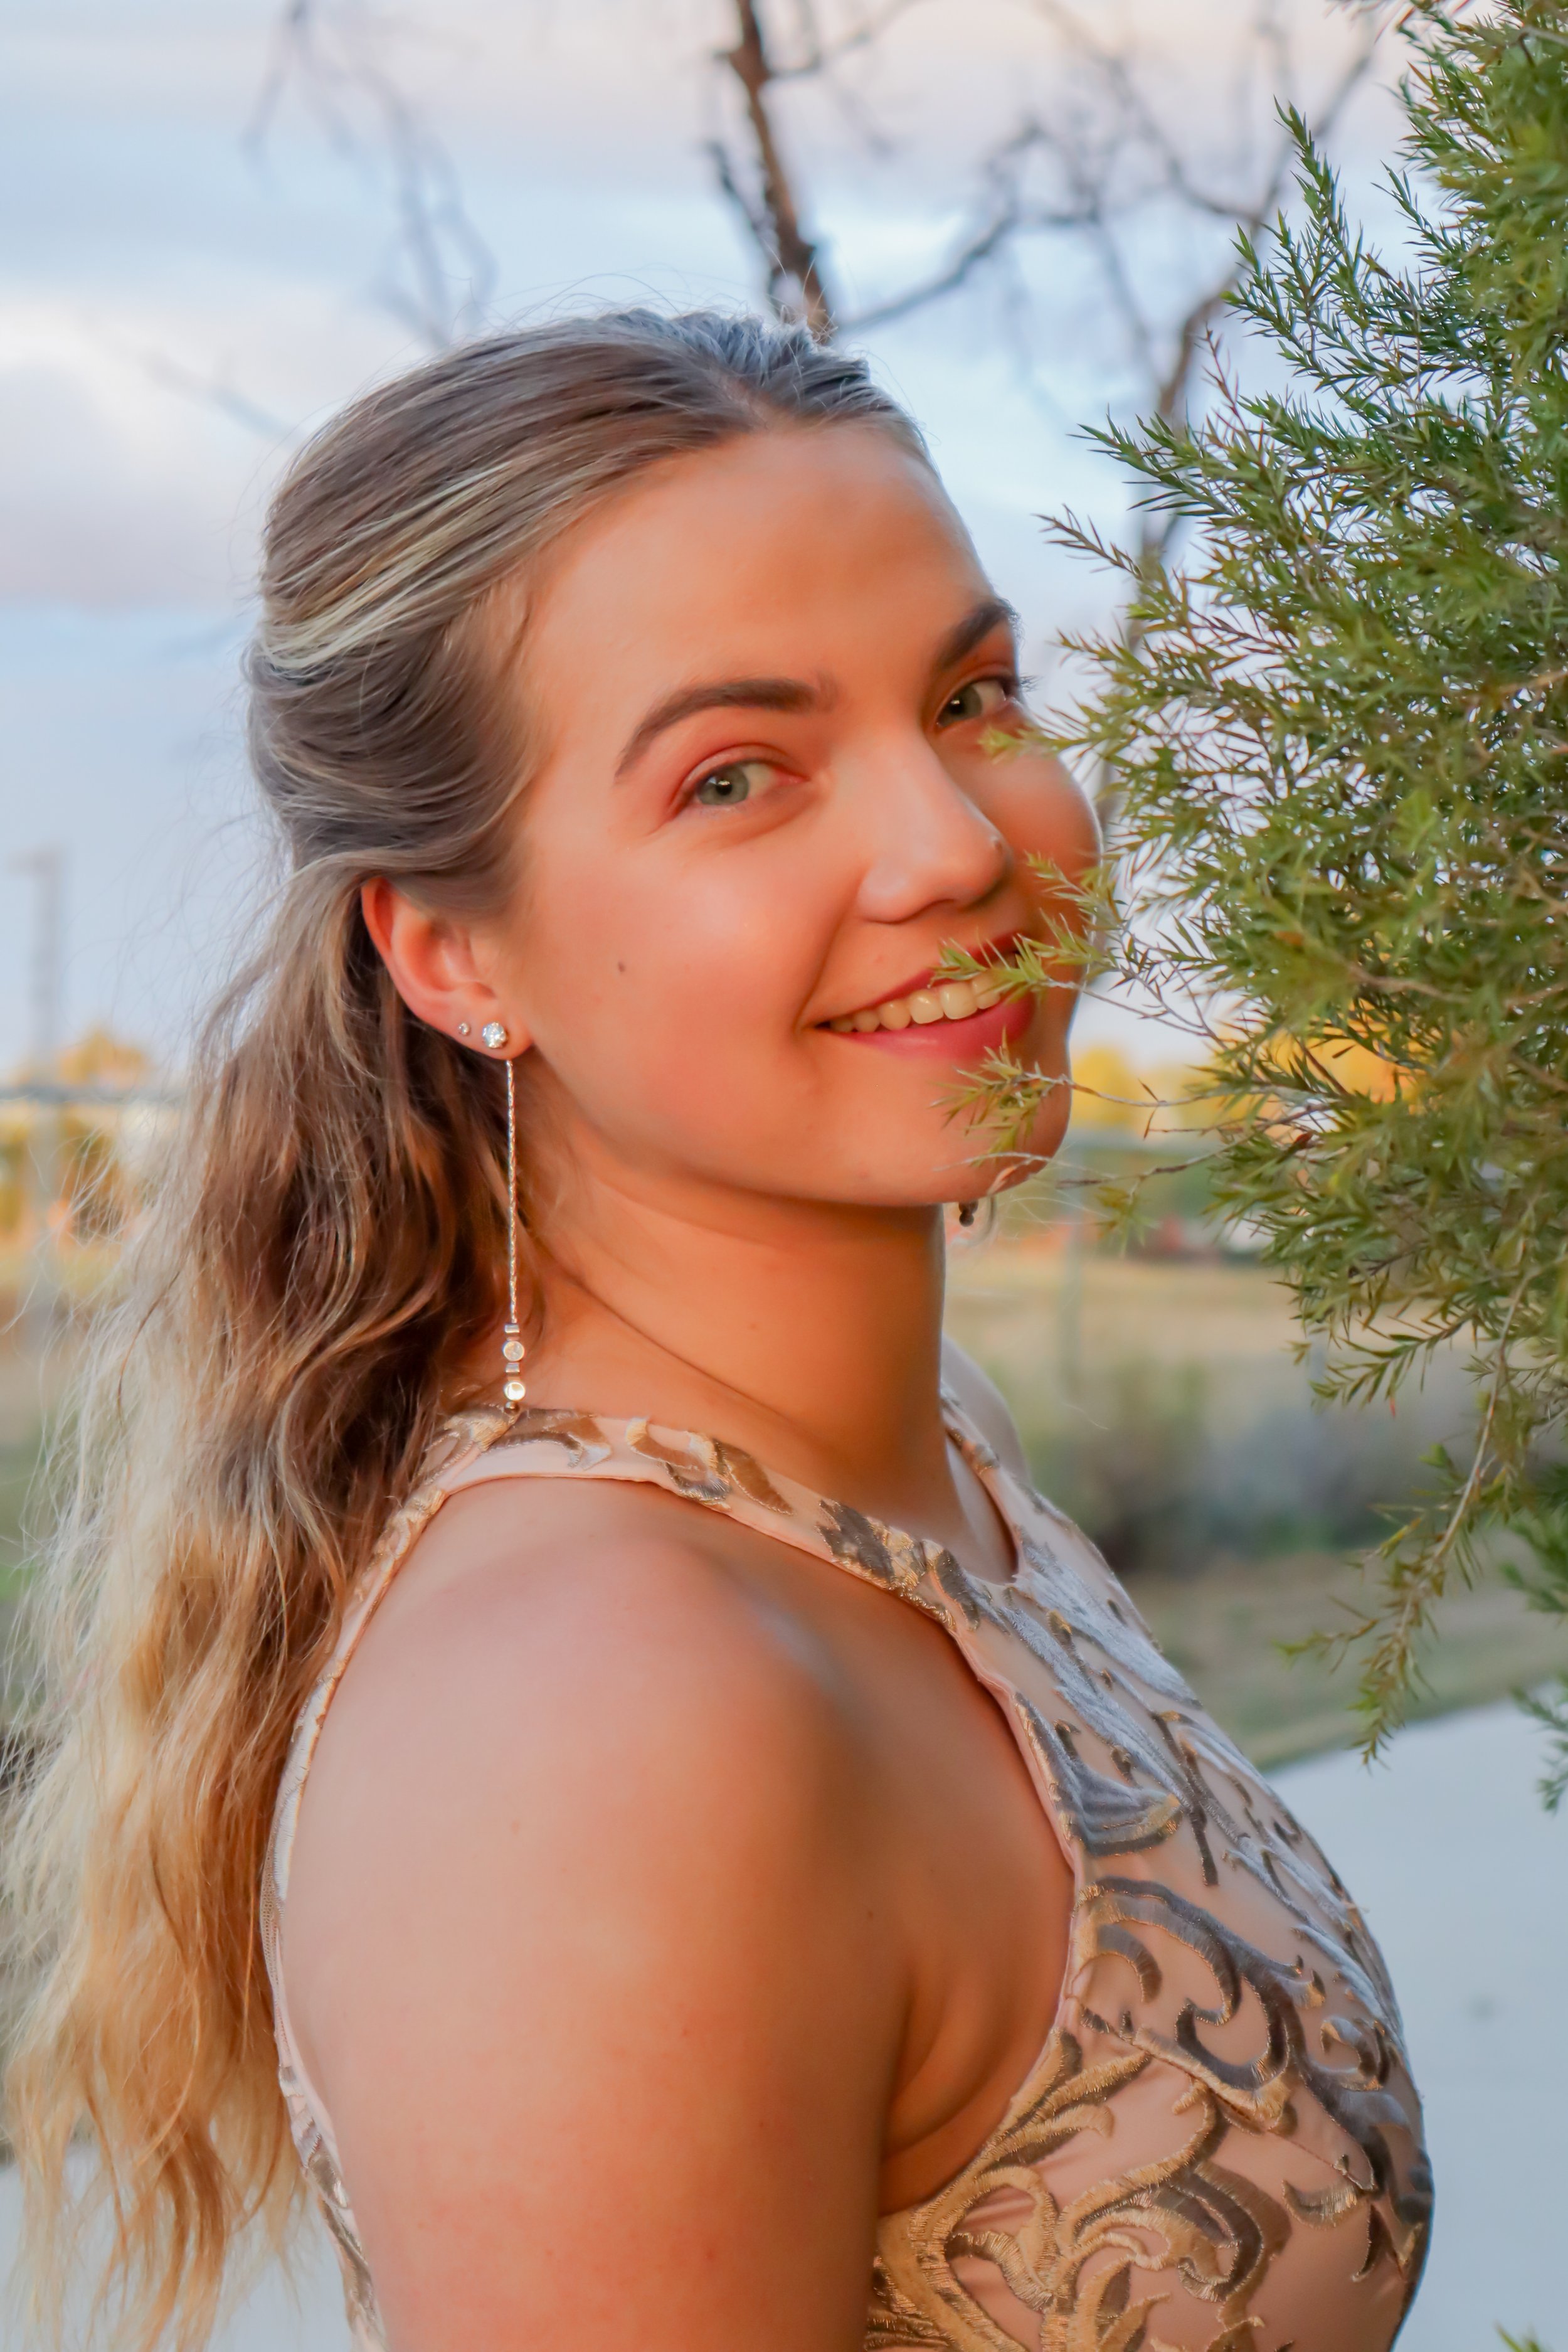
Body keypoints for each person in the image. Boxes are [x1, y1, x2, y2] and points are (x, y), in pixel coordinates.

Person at [8, 312, 1430, 2352]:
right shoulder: (611, 1723)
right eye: (737, 775)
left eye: (974, 696)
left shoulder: (913, 1457)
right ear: (452, 948)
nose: (954, 846)